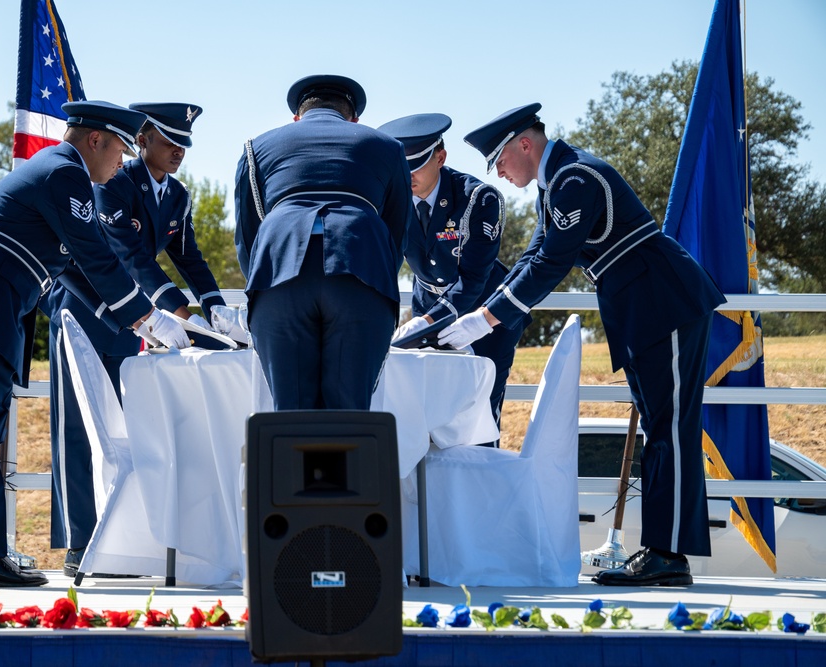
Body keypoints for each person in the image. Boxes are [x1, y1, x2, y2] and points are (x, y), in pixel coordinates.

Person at [440, 103, 726, 586]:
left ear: (524, 145)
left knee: (672, 428)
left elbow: (552, 264)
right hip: (641, 310)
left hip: (665, 302)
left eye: (500, 161)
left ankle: (670, 555)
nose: (501, 173)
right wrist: (476, 313)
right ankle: (661, 550)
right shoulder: (553, 189)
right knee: (662, 425)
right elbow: (531, 257)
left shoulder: (575, 179)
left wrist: (486, 320)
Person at [0, 101, 185, 588]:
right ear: (95, 140)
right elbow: (94, 255)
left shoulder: (62, 174)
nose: (122, 161)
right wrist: (146, 314)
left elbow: (76, 272)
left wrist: (140, 324)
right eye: (120, 148)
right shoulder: (64, 171)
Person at [42, 102, 227, 577]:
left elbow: (189, 256)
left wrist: (215, 303)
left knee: (129, 429)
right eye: (169, 141)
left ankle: (124, 542)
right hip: (87, 310)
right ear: (142, 140)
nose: (178, 152)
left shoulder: (178, 195)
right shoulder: (114, 185)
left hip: (135, 321)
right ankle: (80, 543)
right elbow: (128, 256)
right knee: (79, 428)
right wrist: (178, 311)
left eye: (184, 144)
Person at [234, 75, 413, 410]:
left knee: (289, 411)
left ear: (297, 118)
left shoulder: (255, 147)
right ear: (353, 119)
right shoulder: (388, 146)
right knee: (350, 411)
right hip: (361, 266)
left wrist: (267, 280)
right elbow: (397, 230)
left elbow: (248, 237)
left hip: (278, 272)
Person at [377, 113, 525, 441]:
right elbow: (383, 263)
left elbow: (472, 278)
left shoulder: (479, 199)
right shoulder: (392, 202)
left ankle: (485, 489)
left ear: (440, 158)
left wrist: (428, 319)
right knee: (426, 415)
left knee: (481, 419)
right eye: (401, 168)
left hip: (484, 318)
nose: (407, 175)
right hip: (427, 311)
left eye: (415, 165)